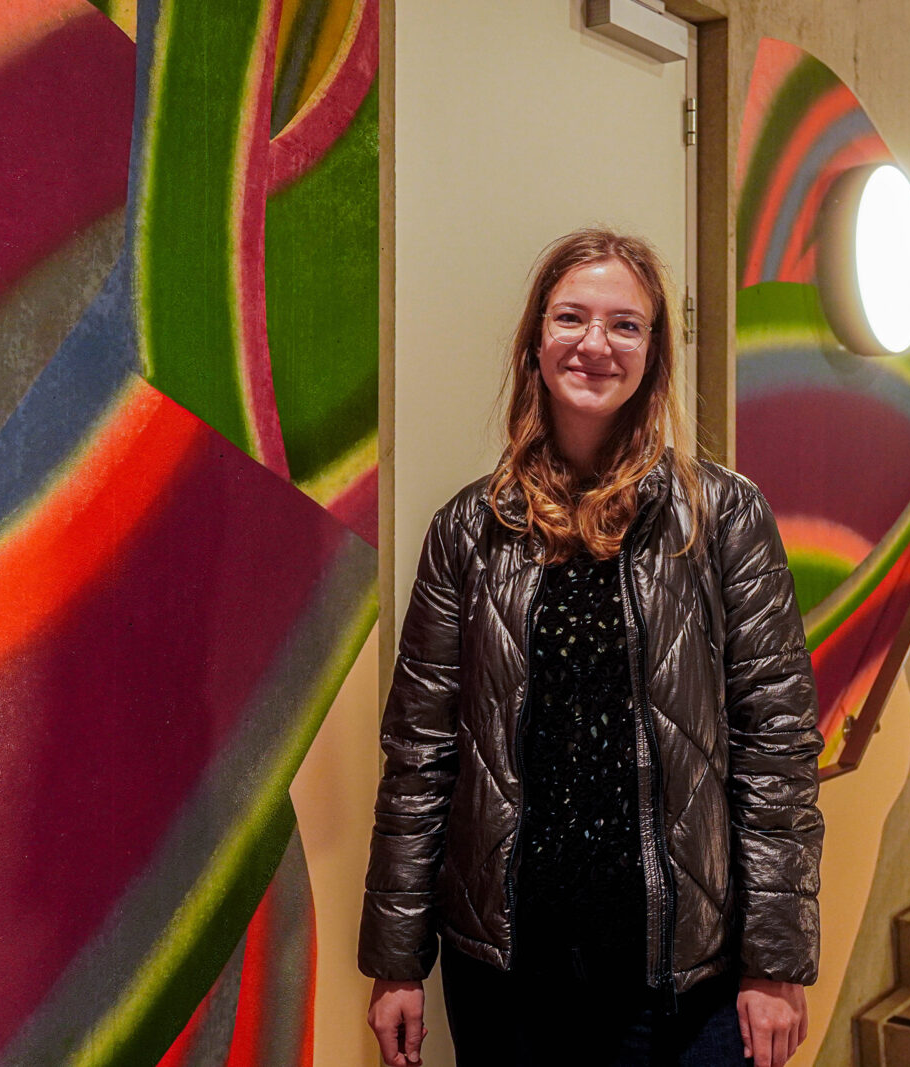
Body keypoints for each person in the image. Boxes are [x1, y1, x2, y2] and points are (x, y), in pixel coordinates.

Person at [359, 228, 824, 1067]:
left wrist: (776, 959)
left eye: (626, 324)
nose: (595, 344)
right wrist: (396, 962)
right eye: (572, 318)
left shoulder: (722, 518)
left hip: (686, 976)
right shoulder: (467, 532)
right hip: (507, 976)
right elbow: (419, 759)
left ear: (654, 352)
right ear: (536, 342)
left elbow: (777, 748)